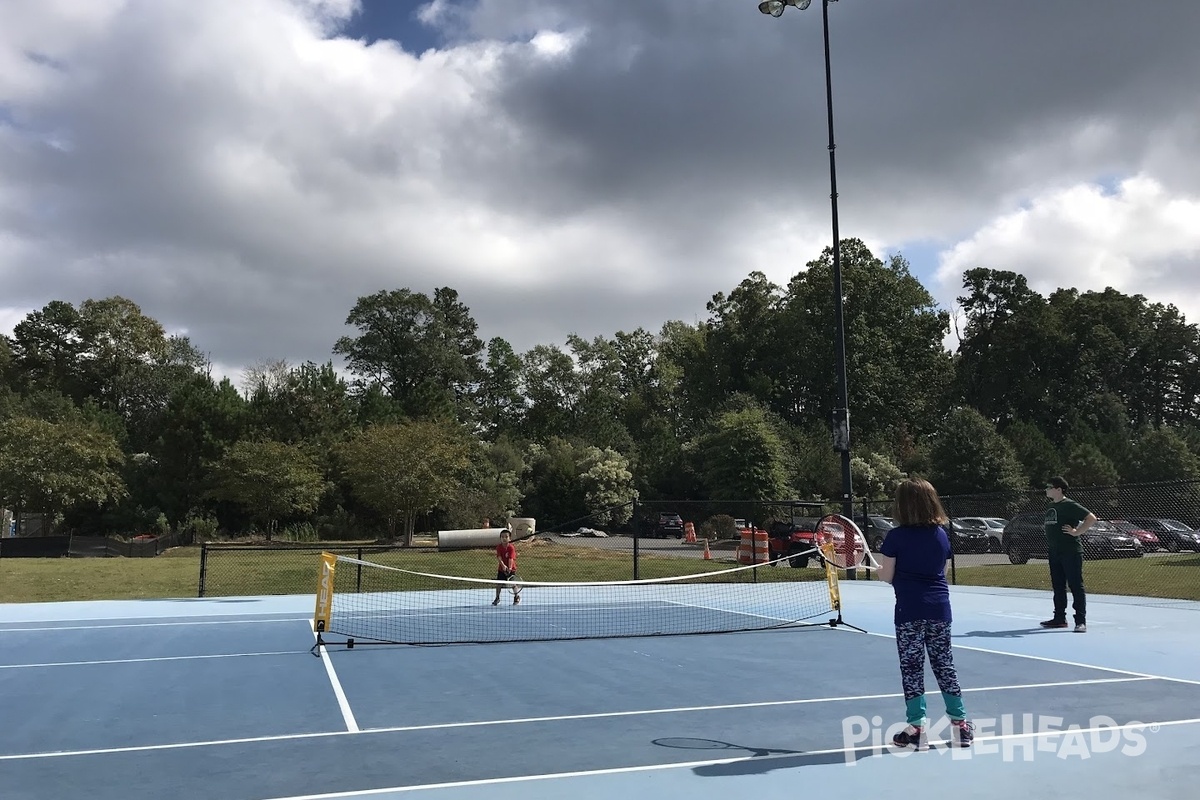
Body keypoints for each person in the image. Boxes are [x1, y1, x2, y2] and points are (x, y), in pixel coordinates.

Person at [877, 477, 974, 749]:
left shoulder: (895, 537)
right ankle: (961, 726)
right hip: (940, 609)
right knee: (944, 664)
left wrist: (880, 573)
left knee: (912, 668)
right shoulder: (941, 535)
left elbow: (887, 575)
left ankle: (917, 729)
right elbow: (939, 572)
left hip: (909, 610)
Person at [1041, 476, 1094, 633]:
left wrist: (1077, 532)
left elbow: (1091, 518)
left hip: (1070, 552)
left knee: (1076, 586)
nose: (1046, 489)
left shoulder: (1069, 505)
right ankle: (1059, 618)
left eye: (1049, 487)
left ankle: (1080, 621)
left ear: (1058, 489)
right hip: (1054, 551)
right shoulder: (1051, 506)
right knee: (1058, 586)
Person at [493, 527, 520, 606]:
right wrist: (503, 566)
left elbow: (511, 558)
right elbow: (499, 557)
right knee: (499, 584)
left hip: (511, 569)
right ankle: (497, 598)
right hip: (501, 569)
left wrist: (510, 568)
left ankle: (516, 596)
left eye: (506, 537)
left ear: (509, 538)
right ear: (500, 538)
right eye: (502, 537)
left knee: (512, 584)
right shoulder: (499, 547)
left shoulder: (511, 547)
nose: (504, 539)